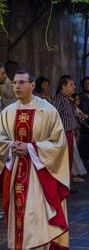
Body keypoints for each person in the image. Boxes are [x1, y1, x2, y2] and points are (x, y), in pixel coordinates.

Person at [0, 70, 70, 249]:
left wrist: (31, 148)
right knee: (20, 213)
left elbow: (59, 143)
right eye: (15, 83)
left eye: (22, 82)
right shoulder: (7, 112)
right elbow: (1, 139)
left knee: (36, 214)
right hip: (16, 171)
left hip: (39, 174)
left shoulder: (47, 110)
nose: (17, 86)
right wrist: (10, 146)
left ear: (32, 85)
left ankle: (38, 245)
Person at [53, 75, 79, 173]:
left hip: (69, 133)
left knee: (69, 160)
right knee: (64, 160)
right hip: (62, 134)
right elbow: (54, 118)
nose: (74, 87)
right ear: (64, 87)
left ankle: (67, 185)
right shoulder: (59, 100)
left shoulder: (68, 99)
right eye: (71, 84)